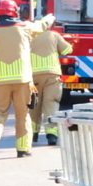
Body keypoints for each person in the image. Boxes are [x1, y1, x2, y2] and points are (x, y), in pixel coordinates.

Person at [0, 0, 50, 160]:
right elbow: (42, 26)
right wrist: (50, 17)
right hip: (23, 79)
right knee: (23, 114)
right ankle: (23, 149)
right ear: (14, 12)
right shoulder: (25, 27)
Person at [29, 17, 69, 146]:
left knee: (33, 105)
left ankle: (32, 134)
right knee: (50, 104)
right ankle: (51, 135)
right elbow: (67, 50)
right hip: (52, 75)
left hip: (32, 76)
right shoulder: (54, 35)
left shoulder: (28, 36)